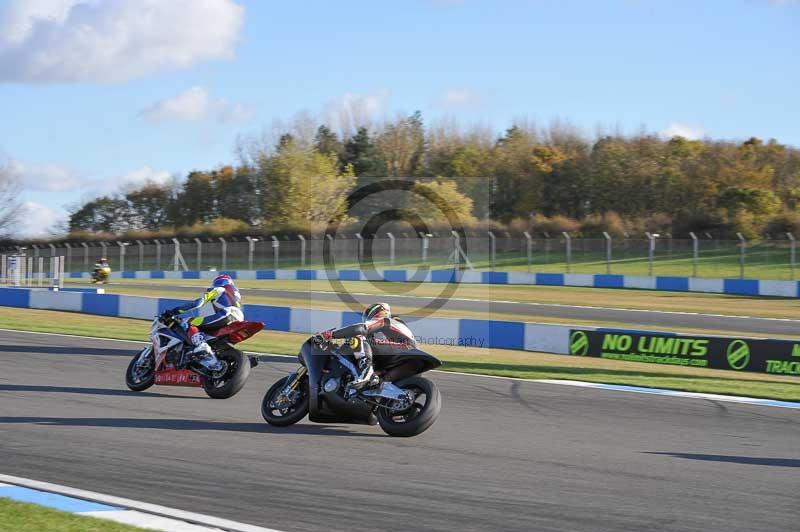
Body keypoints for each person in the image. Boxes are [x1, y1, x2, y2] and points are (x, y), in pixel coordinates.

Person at [314, 302, 416, 390]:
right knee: (377, 380)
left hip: (405, 348)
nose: (367, 319)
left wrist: (330, 335)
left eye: (368, 315)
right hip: (407, 360)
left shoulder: (385, 320)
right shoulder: (395, 326)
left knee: (358, 337)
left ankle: (366, 370)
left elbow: (360, 329)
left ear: (376, 312)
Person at [162, 274, 244, 371]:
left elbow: (198, 303)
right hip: (239, 319)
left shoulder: (219, 289)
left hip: (227, 314)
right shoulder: (236, 294)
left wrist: (175, 311)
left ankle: (201, 346)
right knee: (208, 333)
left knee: (188, 322)